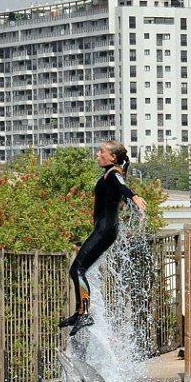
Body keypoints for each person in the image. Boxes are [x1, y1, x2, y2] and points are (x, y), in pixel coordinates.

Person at [59, 140, 148, 333]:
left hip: (104, 230)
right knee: (78, 270)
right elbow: (118, 193)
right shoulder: (111, 173)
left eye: (101, 152)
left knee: (77, 270)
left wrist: (133, 196)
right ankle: (80, 312)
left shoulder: (114, 173)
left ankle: (84, 314)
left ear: (113, 157)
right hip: (105, 230)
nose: (97, 155)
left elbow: (122, 186)